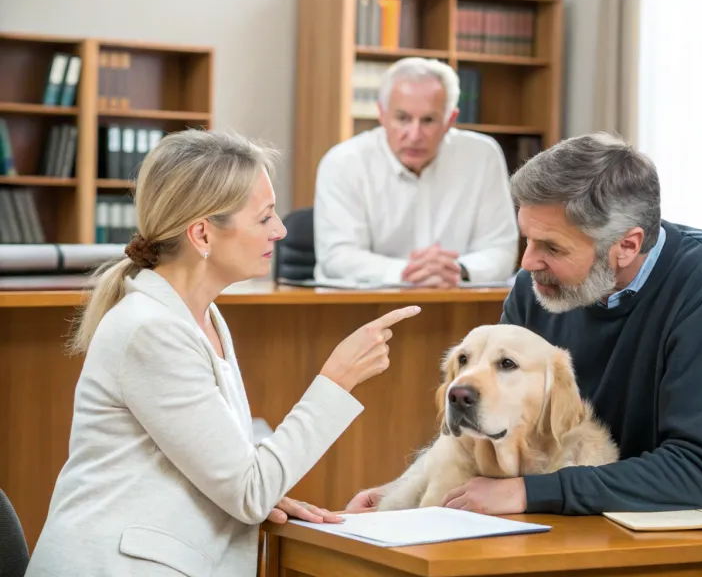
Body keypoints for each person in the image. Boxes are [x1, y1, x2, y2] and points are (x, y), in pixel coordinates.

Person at [24, 130, 421, 576]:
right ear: (202, 235)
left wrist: (255, 488)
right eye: (265, 217)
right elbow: (248, 490)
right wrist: (337, 380)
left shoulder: (201, 316)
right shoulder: (150, 331)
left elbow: (231, 473)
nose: (281, 230)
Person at [345, 132, 702, 516]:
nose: (527, 262)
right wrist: (401, 494)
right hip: (595, 502)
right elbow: (499, 421)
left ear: (626, 245)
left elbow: (698, 470)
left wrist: (532, 492)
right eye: (526, 238)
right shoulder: (538, 286)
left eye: (552, 247)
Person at [313, 57, 519, 288]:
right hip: (362, 308)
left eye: (429, 120)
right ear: (381, 114)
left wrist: (457, 270)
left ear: (449, 120)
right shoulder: (343, 162)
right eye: (403, 118)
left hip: (456, 301)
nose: (414, 135)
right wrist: (410, 272)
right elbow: (338, 256)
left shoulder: (482, 156)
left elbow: (501, 250)